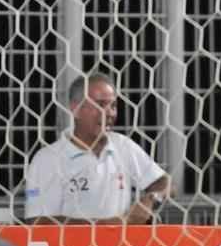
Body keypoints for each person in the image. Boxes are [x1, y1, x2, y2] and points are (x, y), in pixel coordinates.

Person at [24, 72, 171, 224]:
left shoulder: (122, 146)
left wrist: (151, 199)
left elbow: (165, 182)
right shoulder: (48, 159)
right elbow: (38, 222)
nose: (109, 113)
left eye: (113, 106)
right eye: (100, 105)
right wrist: (105, 227)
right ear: (76, 109)